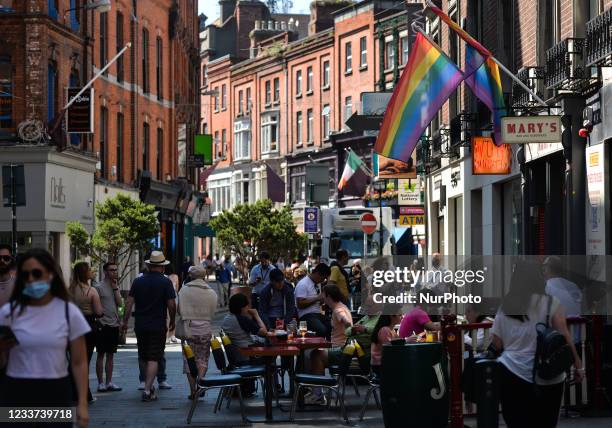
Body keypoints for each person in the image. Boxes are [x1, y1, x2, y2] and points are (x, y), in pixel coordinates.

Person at [0, 249, 90, 427]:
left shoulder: (68, 312)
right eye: (25, 275)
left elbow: (79, 361)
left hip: (55, 391)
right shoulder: (8, 313)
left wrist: (82, 403)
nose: (31, 279)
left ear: (50, 274)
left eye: (37, 273)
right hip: (17, 391)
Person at [491, 261, 584, 428]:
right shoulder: (551, 303)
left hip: (511, 371)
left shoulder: (505, 305)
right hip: (547, 375)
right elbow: (564, 335)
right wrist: (578, 365)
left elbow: (497, 342)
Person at [122, 251, 176, 402]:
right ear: (163, 267)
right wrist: (172, 320)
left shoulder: (138, 281)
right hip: (158, 324)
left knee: (143, 355)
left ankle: (149, 386)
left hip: (140, 324)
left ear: (149, 265)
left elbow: (129, 303)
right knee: (154, 357)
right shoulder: (166, 282)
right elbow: (171, 304)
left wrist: (125, 321)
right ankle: (147, 390)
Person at [308, 285, 353, 405]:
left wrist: (348, 324)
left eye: (323, 295)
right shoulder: (340, 307)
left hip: (341, 350)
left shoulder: (338, 310)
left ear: (328, 296)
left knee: (316, 355)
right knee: (313, 353)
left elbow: (344, 319)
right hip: (340, 348)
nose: (321, 297)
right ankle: (314, 389)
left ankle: (317, 394)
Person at [178, 265, 217, 399]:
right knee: (202, 359)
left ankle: (192, 391)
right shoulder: (211, 292)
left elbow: (179, 310)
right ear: (204, 276)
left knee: (188, 360)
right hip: (205, 328)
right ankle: (201, 383)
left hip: (189, 329)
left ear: (191, 276)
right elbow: (213, 312)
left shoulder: (184, 290)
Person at [70, 261, 103, 403]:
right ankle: (85, 394)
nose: (91, 271)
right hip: (88, 326)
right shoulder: (91, 291)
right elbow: (99, 312)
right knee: (85, 362)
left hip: (72, 327)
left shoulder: (69, 290)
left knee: (73, 361)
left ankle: (72, 393)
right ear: (85, 273)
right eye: (89, 269)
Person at [94, 262, 123, 393]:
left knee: (111, 355)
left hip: (114, 324)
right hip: (103, 325)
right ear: (105, 271)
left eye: (116, 270)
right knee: (101, 354)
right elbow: (96, 306)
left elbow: (120, 303)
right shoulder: (98, 287)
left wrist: (116, 288)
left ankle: (109, 382)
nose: (115, 272)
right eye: (112, 270)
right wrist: (99, 321)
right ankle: (100, 383)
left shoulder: (115, 286)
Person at [221, 293, 267, 364]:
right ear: (242, 308)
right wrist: (256, 315)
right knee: (271, 350)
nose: (248, 308)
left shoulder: (226, 319)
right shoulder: (242, 319)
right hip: (248, 356)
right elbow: (264, 332)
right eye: (247, 306)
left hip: (238, 354)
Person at [294, 263, 331, 338]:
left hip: (316, 314)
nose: (322, 281)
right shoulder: (303, 284)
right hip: (305, 316)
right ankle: (311, 348)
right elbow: (300, 304)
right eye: (323, 278)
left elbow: (316, 301)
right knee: (321, 330)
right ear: (317, 274)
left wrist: (321, 301)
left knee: (332, 326)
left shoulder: (317, 284)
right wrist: (317, 298)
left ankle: (327, 347)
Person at [166, 265, 180, 343]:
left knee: (167, 317)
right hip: (174, 297)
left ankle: (167, 336)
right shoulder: (175, 276)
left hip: (167, 297)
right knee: (173, 316)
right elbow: (177, 288)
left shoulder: (165, 277)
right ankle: (173, 335)